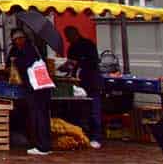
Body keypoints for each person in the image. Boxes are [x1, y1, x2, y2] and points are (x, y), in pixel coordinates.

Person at [6, 28, 51, 156]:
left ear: (23, 39)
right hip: (39, 86)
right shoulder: (32, 48)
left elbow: (26, 65)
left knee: (39, 115)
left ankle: (42, 146)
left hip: (36, 87)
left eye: (18, 39)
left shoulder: (29, 50)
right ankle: (43, 144)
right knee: (40, 115)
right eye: (15, 40)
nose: (17, 42)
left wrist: (16, 61)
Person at [62, 25, 104, 148]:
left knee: (94, 111)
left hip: (92, 82)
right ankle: (83, 135)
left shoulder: (88, 45)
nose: (68, 39)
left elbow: (94, 62)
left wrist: (79, 62)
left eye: (69, 36)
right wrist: (67, 67)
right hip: (78, 83)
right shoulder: (72, 48)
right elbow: (70, 64)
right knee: (80, 111)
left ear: (75, 34)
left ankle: (96, 137)